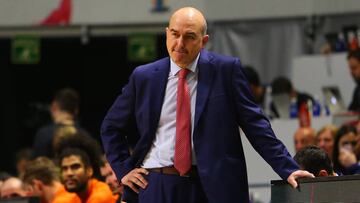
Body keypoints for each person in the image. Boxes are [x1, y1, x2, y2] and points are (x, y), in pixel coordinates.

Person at [101, 7, 313, 203]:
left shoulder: (226, 70)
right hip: (155, 183)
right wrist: (124, 169)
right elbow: (111, 127)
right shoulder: (144, 77)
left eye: (189, 37)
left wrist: (287, 169)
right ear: (167, 33)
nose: (179, 43)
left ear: (204, 41)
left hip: (212, 187)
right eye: (174, 34)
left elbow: (256, 126)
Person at [56, 133, 116, 203]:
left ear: (89, 170)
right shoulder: (64, 192)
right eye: (64, 168)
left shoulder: (100, 195)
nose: (69, 173)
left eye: (75, 167)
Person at [33, 88, 86, 158]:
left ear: (54, 106)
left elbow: (38, 166)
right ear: (76, 110)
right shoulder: (85, 136)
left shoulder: (43, 134)